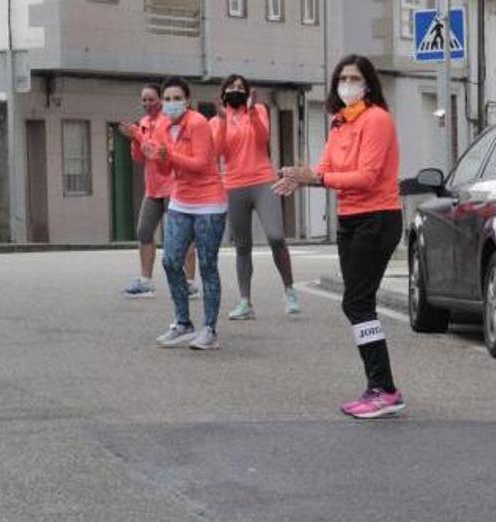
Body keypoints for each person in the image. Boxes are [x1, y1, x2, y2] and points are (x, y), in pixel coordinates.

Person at [274, 54, 404, 419]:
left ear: (368, 84)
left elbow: (368, 176)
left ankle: (385, 389)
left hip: (377, 217)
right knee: (356, 303)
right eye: (342, 79)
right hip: (349, 219)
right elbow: (326, 169)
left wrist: (316, 178)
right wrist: (300, 178)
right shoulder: (340, 122)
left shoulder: (377, 119)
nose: (347, 85)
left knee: (357, 302)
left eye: (354, 78)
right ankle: (379, 387)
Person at [210, 74, 300, 321]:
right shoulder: (216, 120)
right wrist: (222, 120)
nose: (236, 90)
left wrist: (251, 113)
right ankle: (245, 302)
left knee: (276, 236)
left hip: (262, 181)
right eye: (231, 87)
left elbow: (263, 138)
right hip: (233, 185)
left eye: (241, 87)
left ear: (248, 92)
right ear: (223, 94)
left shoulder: (258, 110)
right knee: (242, 246)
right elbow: (217, 152)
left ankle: (289, 290)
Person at [146, 77, 227, 351]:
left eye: (176, 98)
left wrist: (167, 155)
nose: (171, 104)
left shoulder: (198, 123)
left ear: (188, 100)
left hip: (209, 202)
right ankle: (183, 323)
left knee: (207, 265)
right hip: (181, 200)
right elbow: (165, 170)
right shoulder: (162, 126)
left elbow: (202, 163)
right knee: (170, 261)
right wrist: (156, 157)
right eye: (167, 99)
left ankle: (209, 330)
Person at [118, 83, 198, 299]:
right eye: (144, 100)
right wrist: (135, 141)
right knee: (144, 232)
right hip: (153, 189)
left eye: (151, 99)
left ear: (161, 100)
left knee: (181, 235)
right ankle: (145, 281)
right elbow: (140, 157)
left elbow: (161, 151)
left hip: (174, 186)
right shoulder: (143, 123)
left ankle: (190, 283)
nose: (147, 104)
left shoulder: (169, 121)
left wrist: (139, 136)